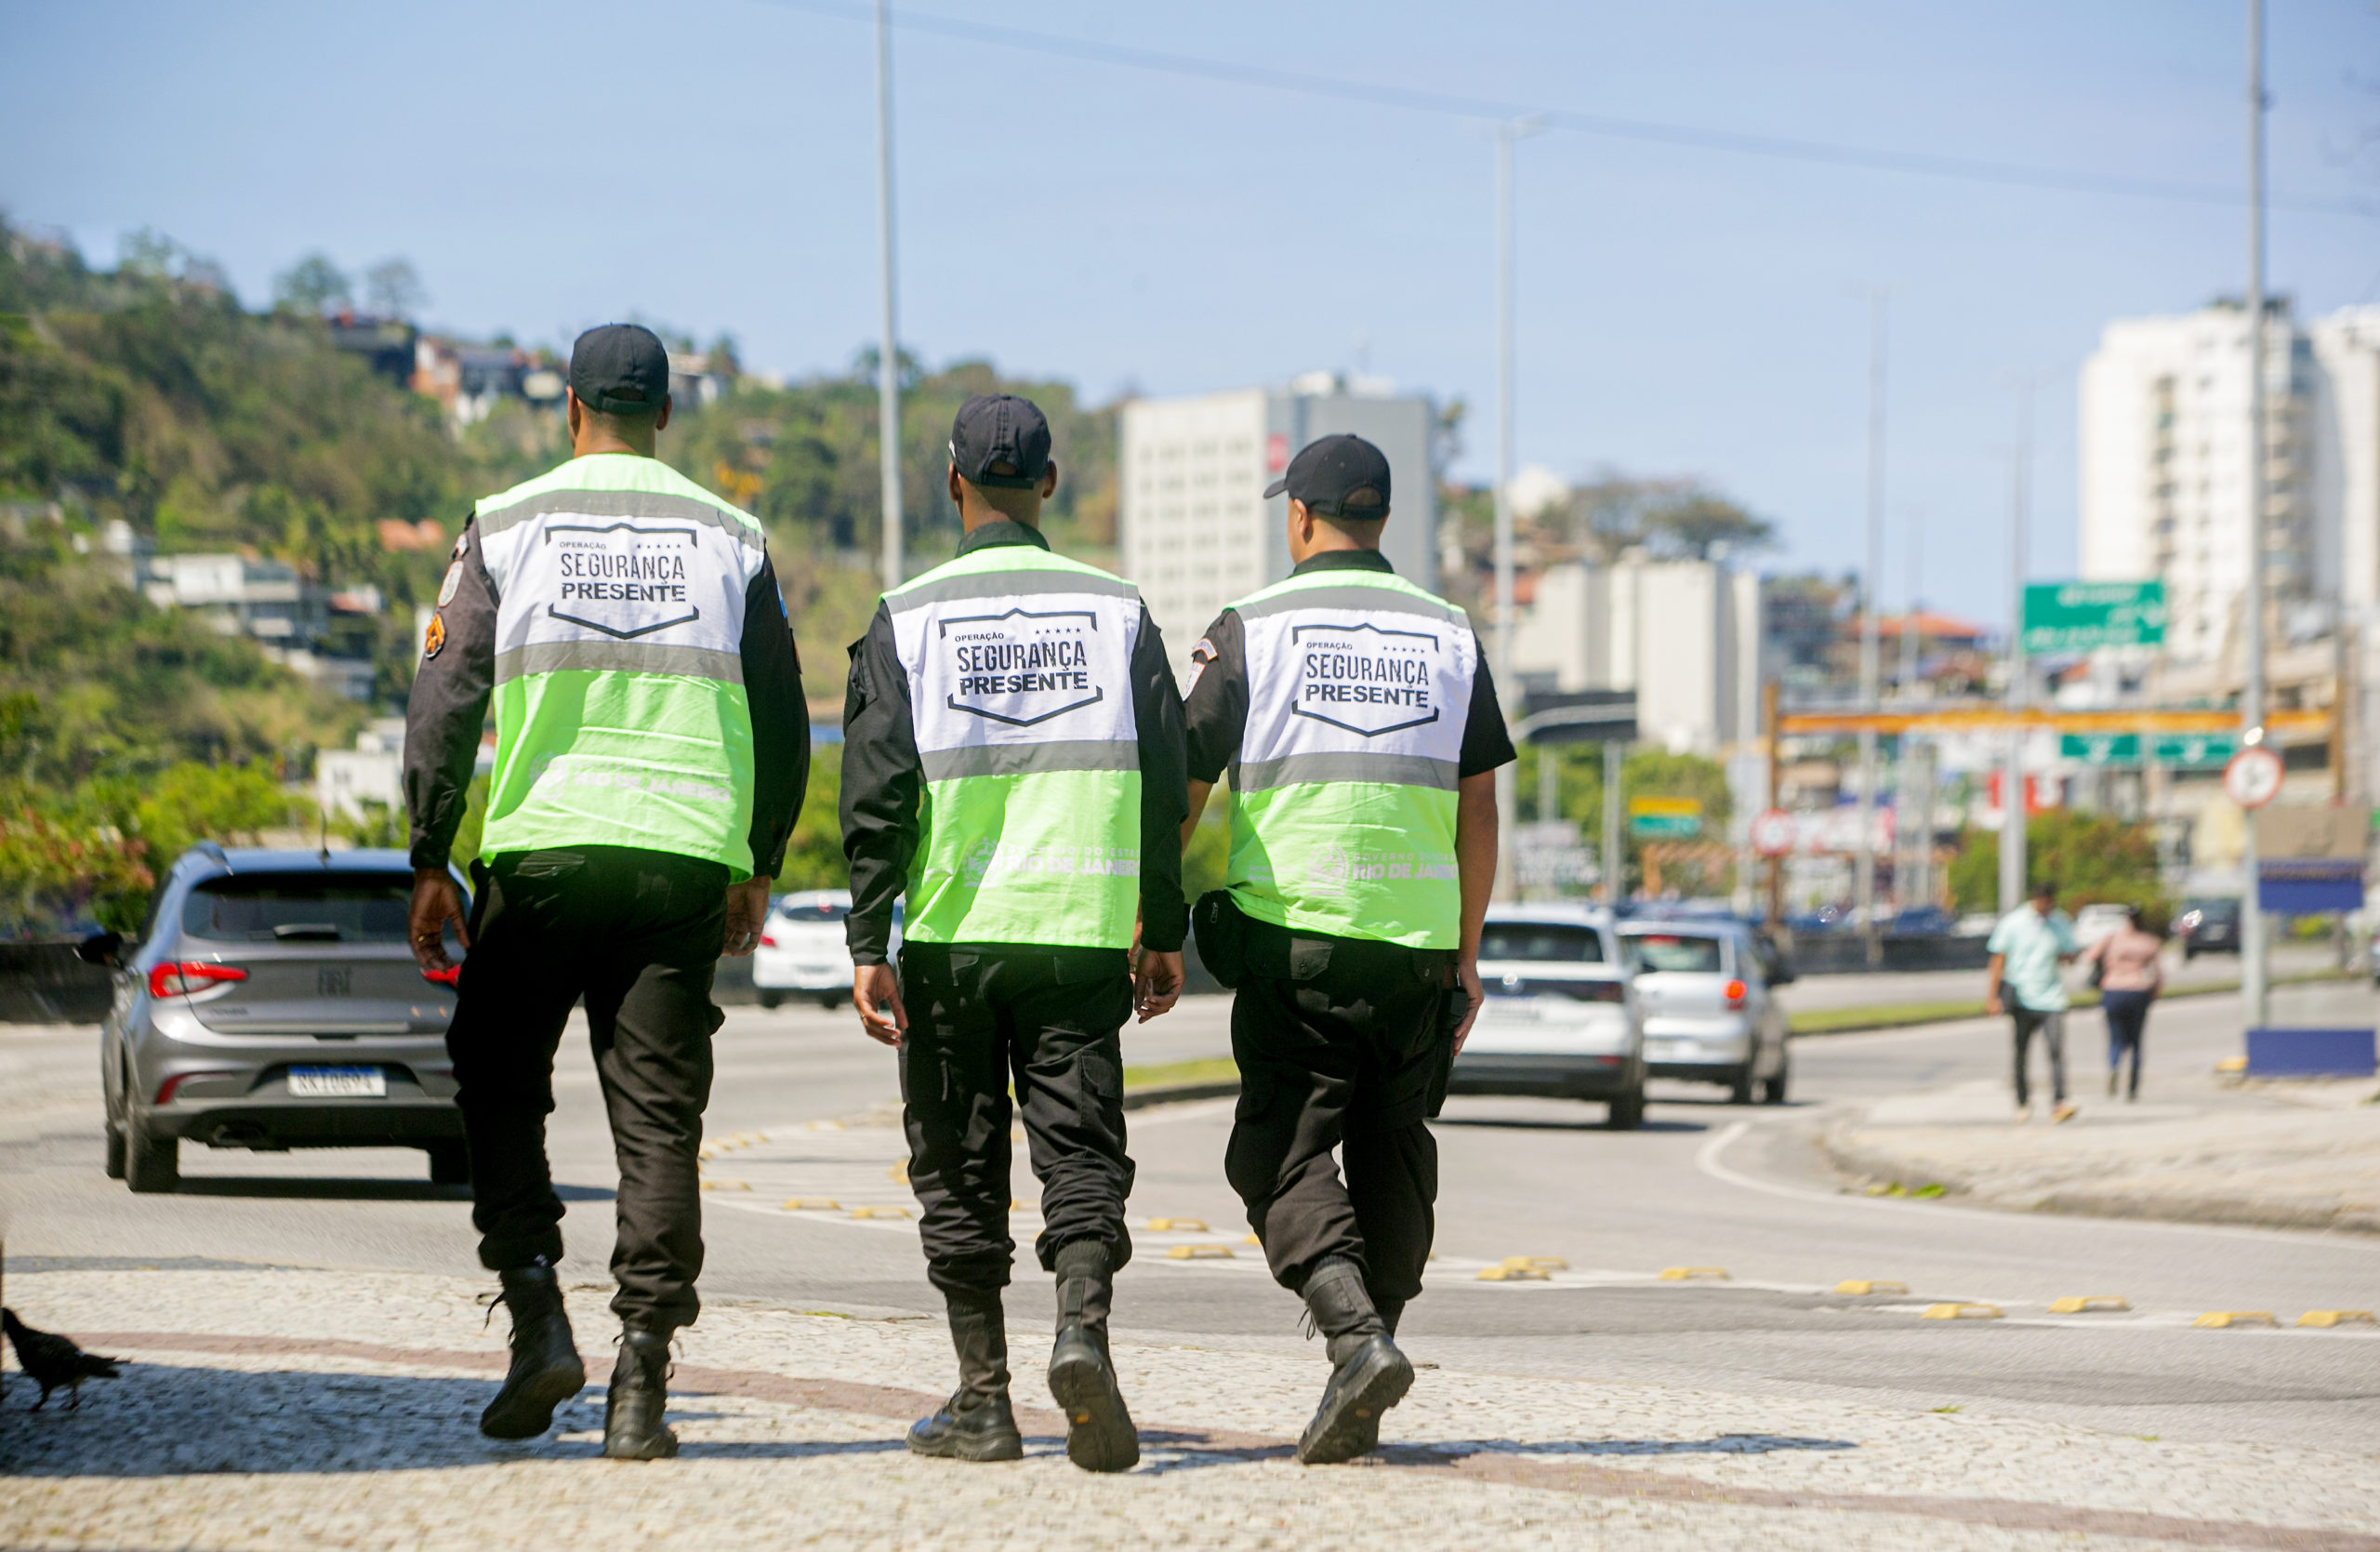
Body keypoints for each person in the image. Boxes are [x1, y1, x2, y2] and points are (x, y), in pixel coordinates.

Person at [404, 323, 809, 1460]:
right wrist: (758, 858)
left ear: (569, 409)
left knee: (496, 1079)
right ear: (666, 415)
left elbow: (445, 696)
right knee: (658, 1122)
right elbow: (783, 716)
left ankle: (537, 1307)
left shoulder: (506, 523)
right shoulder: (732, 536)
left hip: (541, 857)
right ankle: (641, 1381)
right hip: (679, 863)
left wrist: (429, 854)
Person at [840, 392, 1188, 1473]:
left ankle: (982, 1401)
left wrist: (867, 938)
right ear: (1048, 483)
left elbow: (876, 792)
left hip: (953, 938)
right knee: (1079, 1155)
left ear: (952, 482)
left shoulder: (909, 615)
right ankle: (1081, 1332)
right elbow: (1166, 777)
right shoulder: (1116, 612)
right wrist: (1162, 923)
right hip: (1080, 934)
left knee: (957, 1167)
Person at [1178, 432, 1513, 1464]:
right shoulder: (1449, 634)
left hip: (1296, 944)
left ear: (1298, 517)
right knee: (1392, 1154)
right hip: (1415, 949)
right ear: (1383, 519)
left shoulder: (1255, 628)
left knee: (1276, 1150)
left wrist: (1151, 919)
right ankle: (1364, 1375)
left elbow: (1183, 785)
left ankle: (1356, 1337)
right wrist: (1465, 954)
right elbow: (1479, 808)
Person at [1985, 879, 2081, 1123]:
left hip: (2052, 997)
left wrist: (2070, 955)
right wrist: (1993, 997)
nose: (2046, 908)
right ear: (2035, 900)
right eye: (2043, 903)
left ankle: (2059, 1102)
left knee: (2056, 1050)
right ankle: (2022, 1102)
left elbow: (2069, 954)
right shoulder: (2014, 923)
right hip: (2022, 997)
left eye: (2050, 904)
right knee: (2021, 1051)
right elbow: (1998, 960)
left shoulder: (2060, 922)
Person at [2084, 905, 2163, 1101]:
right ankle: (2132, 1087)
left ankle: (2114, 1066)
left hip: (2113, 989)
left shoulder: (2112, 939)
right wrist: (2154, 993)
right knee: (2136, 1041)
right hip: (2138, 990)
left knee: (2115, 1038)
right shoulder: (2148, 941)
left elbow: (2090, 956)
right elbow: (2157, 974)